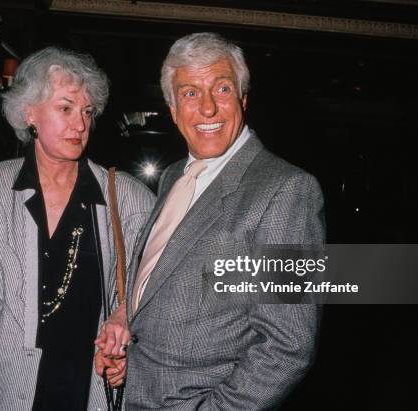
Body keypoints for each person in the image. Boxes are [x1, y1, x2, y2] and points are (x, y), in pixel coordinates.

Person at [96, 32, 325, 409]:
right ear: (172, 109)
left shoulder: (288, 190)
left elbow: (289, 345)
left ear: (243, 99)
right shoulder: (173, 176)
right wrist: (126, 326)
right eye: (189, 93)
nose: (206, 109)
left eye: (221, 89)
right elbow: (163, 282)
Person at [0, 47, 154, 411]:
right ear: (28, 112)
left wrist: (126, 338)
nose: (81, 125)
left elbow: (152, 298)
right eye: (65, 108)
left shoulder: (129, 199)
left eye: (87, 111)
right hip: (2, 390)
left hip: (88, 389)